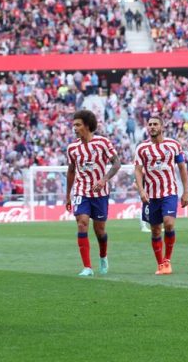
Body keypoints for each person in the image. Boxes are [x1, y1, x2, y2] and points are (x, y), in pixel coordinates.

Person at [65, 110, 119, 277]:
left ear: (87, 126)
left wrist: (104, 179)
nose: (74, 128)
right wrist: (68, 195)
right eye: (73, 125)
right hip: (82, 191)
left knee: (100, 230)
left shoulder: (102, 143)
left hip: (101, 192)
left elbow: (116, 164)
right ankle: (87, 267)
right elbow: (71, 171)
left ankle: (103, 256)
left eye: (78, 125)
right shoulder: (72, 148)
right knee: (82, 223)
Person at [134, 116, 188, 275]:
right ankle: (160, 264)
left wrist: (186, 191)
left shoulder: (173, 145)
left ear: (162, 127)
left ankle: (167, 260)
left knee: (169, 223)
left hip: (169, 192)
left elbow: (182, 168)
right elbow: (137, 170)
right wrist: (141, 190)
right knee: (156, 230)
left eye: (155, 124)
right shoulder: (142, 148)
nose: (152, 127)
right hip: (151, 195)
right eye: (149, 124)